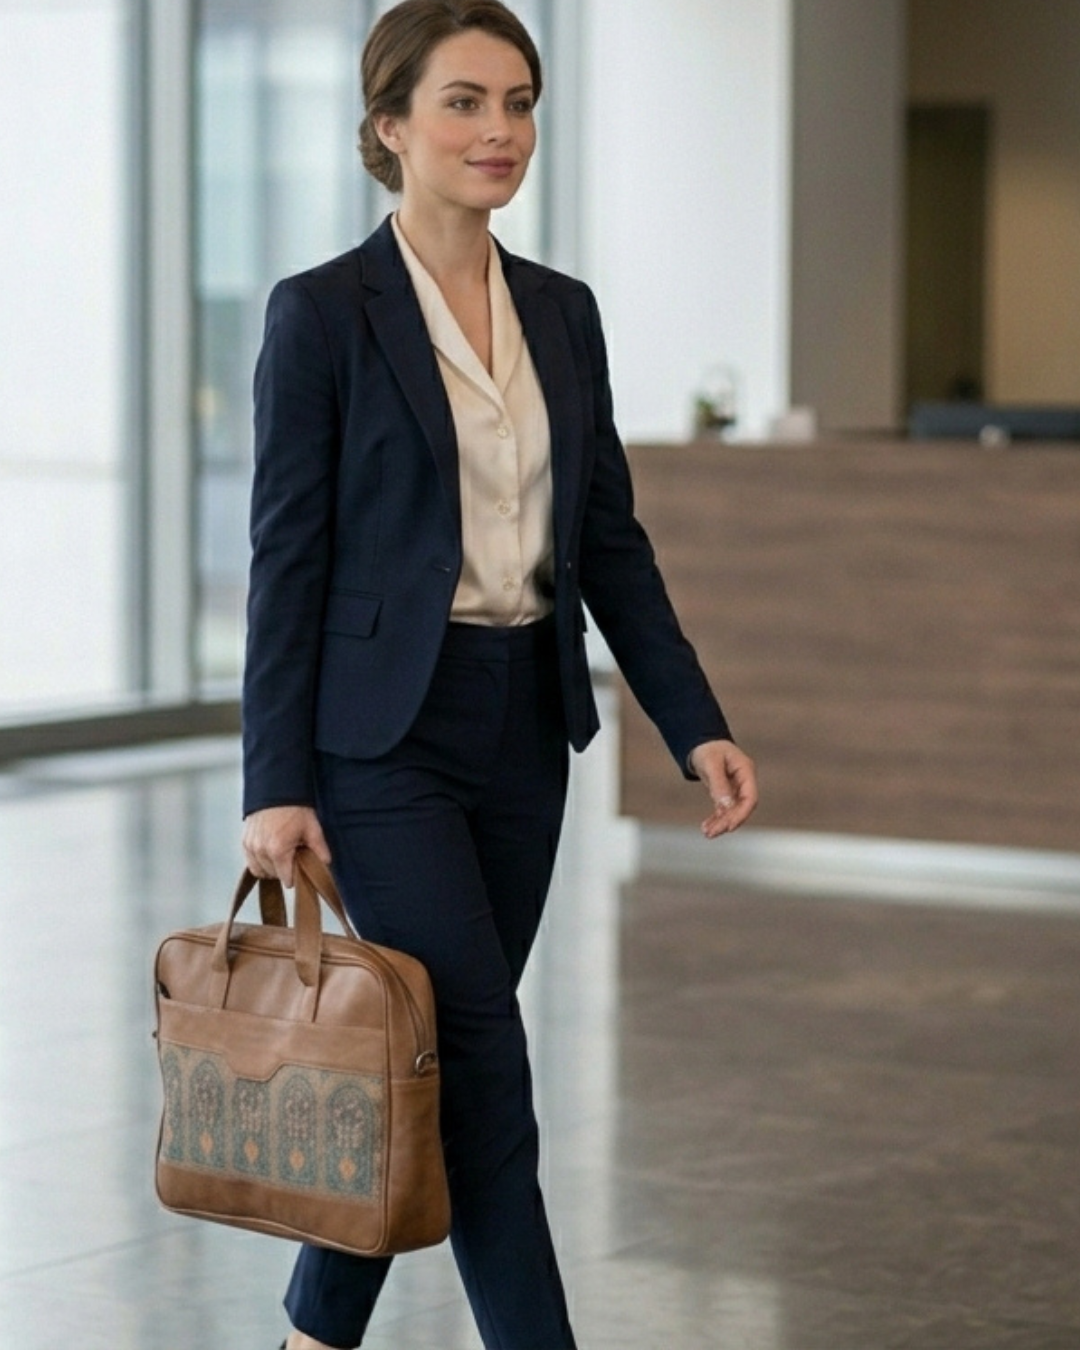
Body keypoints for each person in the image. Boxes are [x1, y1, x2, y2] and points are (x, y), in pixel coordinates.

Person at [241, 1, 758, 1346]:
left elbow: (608, 540)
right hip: (380, 745)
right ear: (390, 126)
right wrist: (274, 783)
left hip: (524, 730)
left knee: (430, 1062)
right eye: (465, 101)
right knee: (483, 1062)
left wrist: (691, 720)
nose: (500, 131)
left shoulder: (562, 314)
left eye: (520, 102)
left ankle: (312, 1331)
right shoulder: (321, 316)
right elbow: (285, 562)